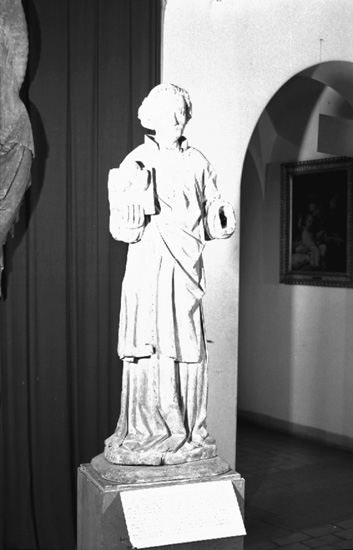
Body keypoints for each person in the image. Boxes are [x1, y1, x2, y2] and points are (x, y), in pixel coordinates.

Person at [104, 83, 235, 466]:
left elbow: (211, 212)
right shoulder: (136, 162)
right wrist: (131, 217)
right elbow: (121, 228)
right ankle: (145, 430)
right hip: (148, 268)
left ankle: (189, 431)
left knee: (186, 344)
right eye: (169, 113)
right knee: (150, 343)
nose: (176, 119)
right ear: (152, 118)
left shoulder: (199, 162)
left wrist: (219, 216)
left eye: (181, 112)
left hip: (185, 269)